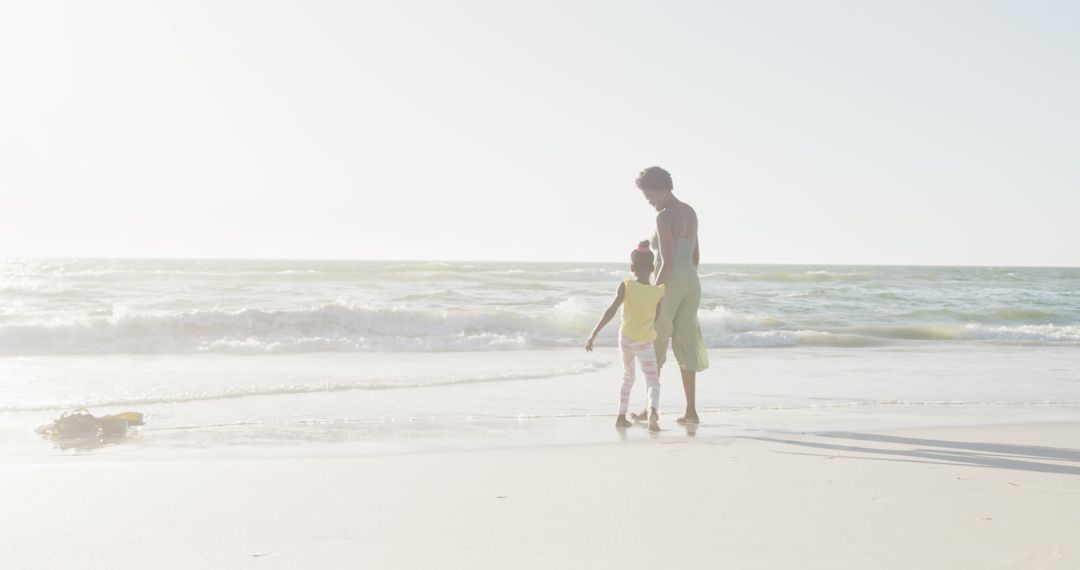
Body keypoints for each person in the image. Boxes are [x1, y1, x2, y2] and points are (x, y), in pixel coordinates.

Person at [634, 166, 709, 425]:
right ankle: (691, 412)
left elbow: (665, 262)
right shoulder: (690, 212)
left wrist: (654, 294)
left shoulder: (664, 217)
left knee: (655, 341)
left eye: (651, 196)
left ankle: (649, 409)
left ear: (663, 188)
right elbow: (696, 256)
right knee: (686, 342)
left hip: (671, 280)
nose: (651, 202)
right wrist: (686, 279)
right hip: (691, 280)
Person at [585, 241, 666, 431]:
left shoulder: (626, 285)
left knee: (628, 377)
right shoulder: (658, 291)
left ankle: (621, 416)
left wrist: (594, 334)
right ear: (653, 268)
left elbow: (611, 310)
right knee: (652, 380)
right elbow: (658, 317)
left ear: (632, 267)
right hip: (645, 341)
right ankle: (652, 409)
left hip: (626, 339)